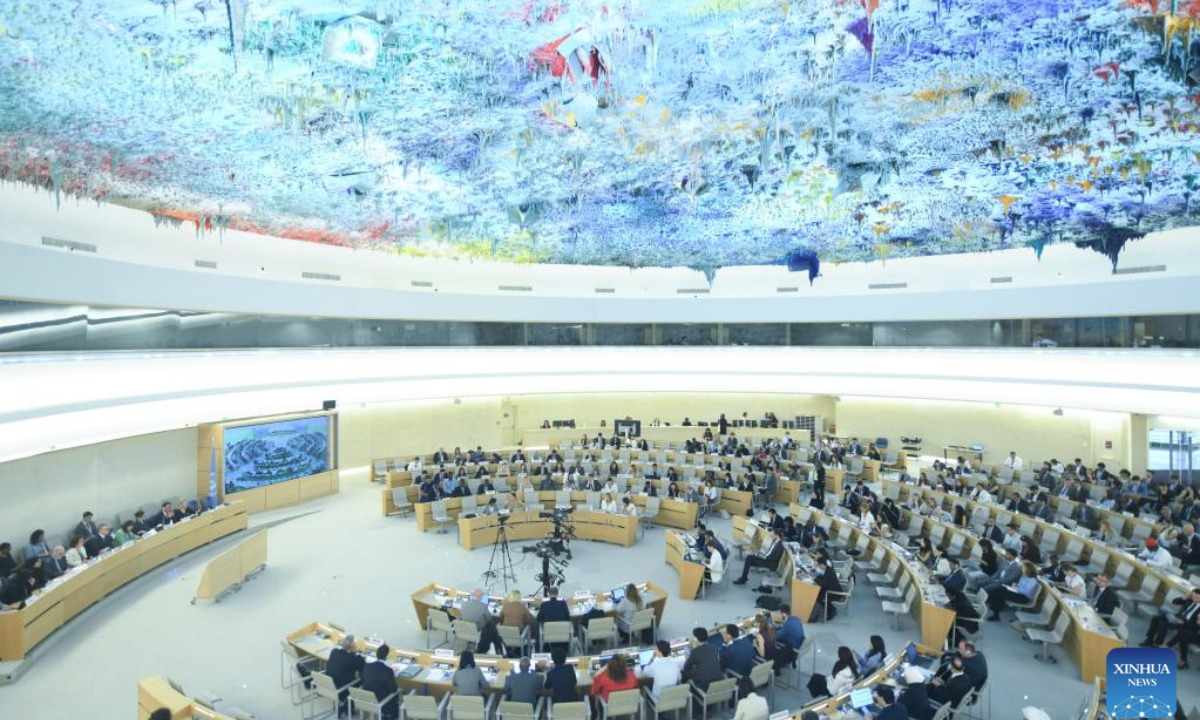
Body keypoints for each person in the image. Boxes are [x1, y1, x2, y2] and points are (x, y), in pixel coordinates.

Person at [325, 635, 364, 716]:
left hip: (330, 686)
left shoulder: (334, 651)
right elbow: (363, 666)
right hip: (343, 689)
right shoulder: (352, 658)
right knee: (361, 680)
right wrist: (356, 652)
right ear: (351, 647)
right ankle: (347, 708)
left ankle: (346, 707)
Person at [459, 588, 504, 655]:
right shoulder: (483, 606)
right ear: (481, 596)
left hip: (464, 630)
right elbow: (489, 619)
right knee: (491, 626)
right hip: (477, 631)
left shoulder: (464, 604)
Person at [360, 644, 400, 720]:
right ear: (386, 657)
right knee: (399, 693)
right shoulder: (388, 670)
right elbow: (394, 689)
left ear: (376, 654)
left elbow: (363, 681)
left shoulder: (367, 666)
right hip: (383, 702)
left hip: (367, 699)